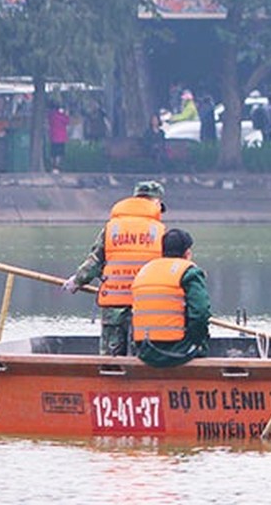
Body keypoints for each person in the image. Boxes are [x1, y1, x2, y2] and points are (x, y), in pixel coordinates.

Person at [61, 180, 166, 355]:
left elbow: (95, 260)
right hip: (145, 305)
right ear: (156, 202)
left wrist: (77, 280)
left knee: (111, 359)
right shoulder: (160, 231)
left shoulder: (111, 228)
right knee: (141, 356)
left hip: (113, 304)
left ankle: (108, 380)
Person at [131, 228, 211, 367]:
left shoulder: (144, 271)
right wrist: (195, 341)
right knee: (201, 336)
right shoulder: (189, 272)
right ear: (187, 253)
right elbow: (200, 313)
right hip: (176, 353)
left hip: (145, 352)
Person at [46, 101, 69, 173]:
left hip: (53, 137)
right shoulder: (61, 116)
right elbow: (67, 121)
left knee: (53, 153)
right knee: (59, 153)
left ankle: (53, 166)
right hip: (61, 137)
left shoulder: (51, 116)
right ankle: (57, 166)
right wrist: (66, 114)